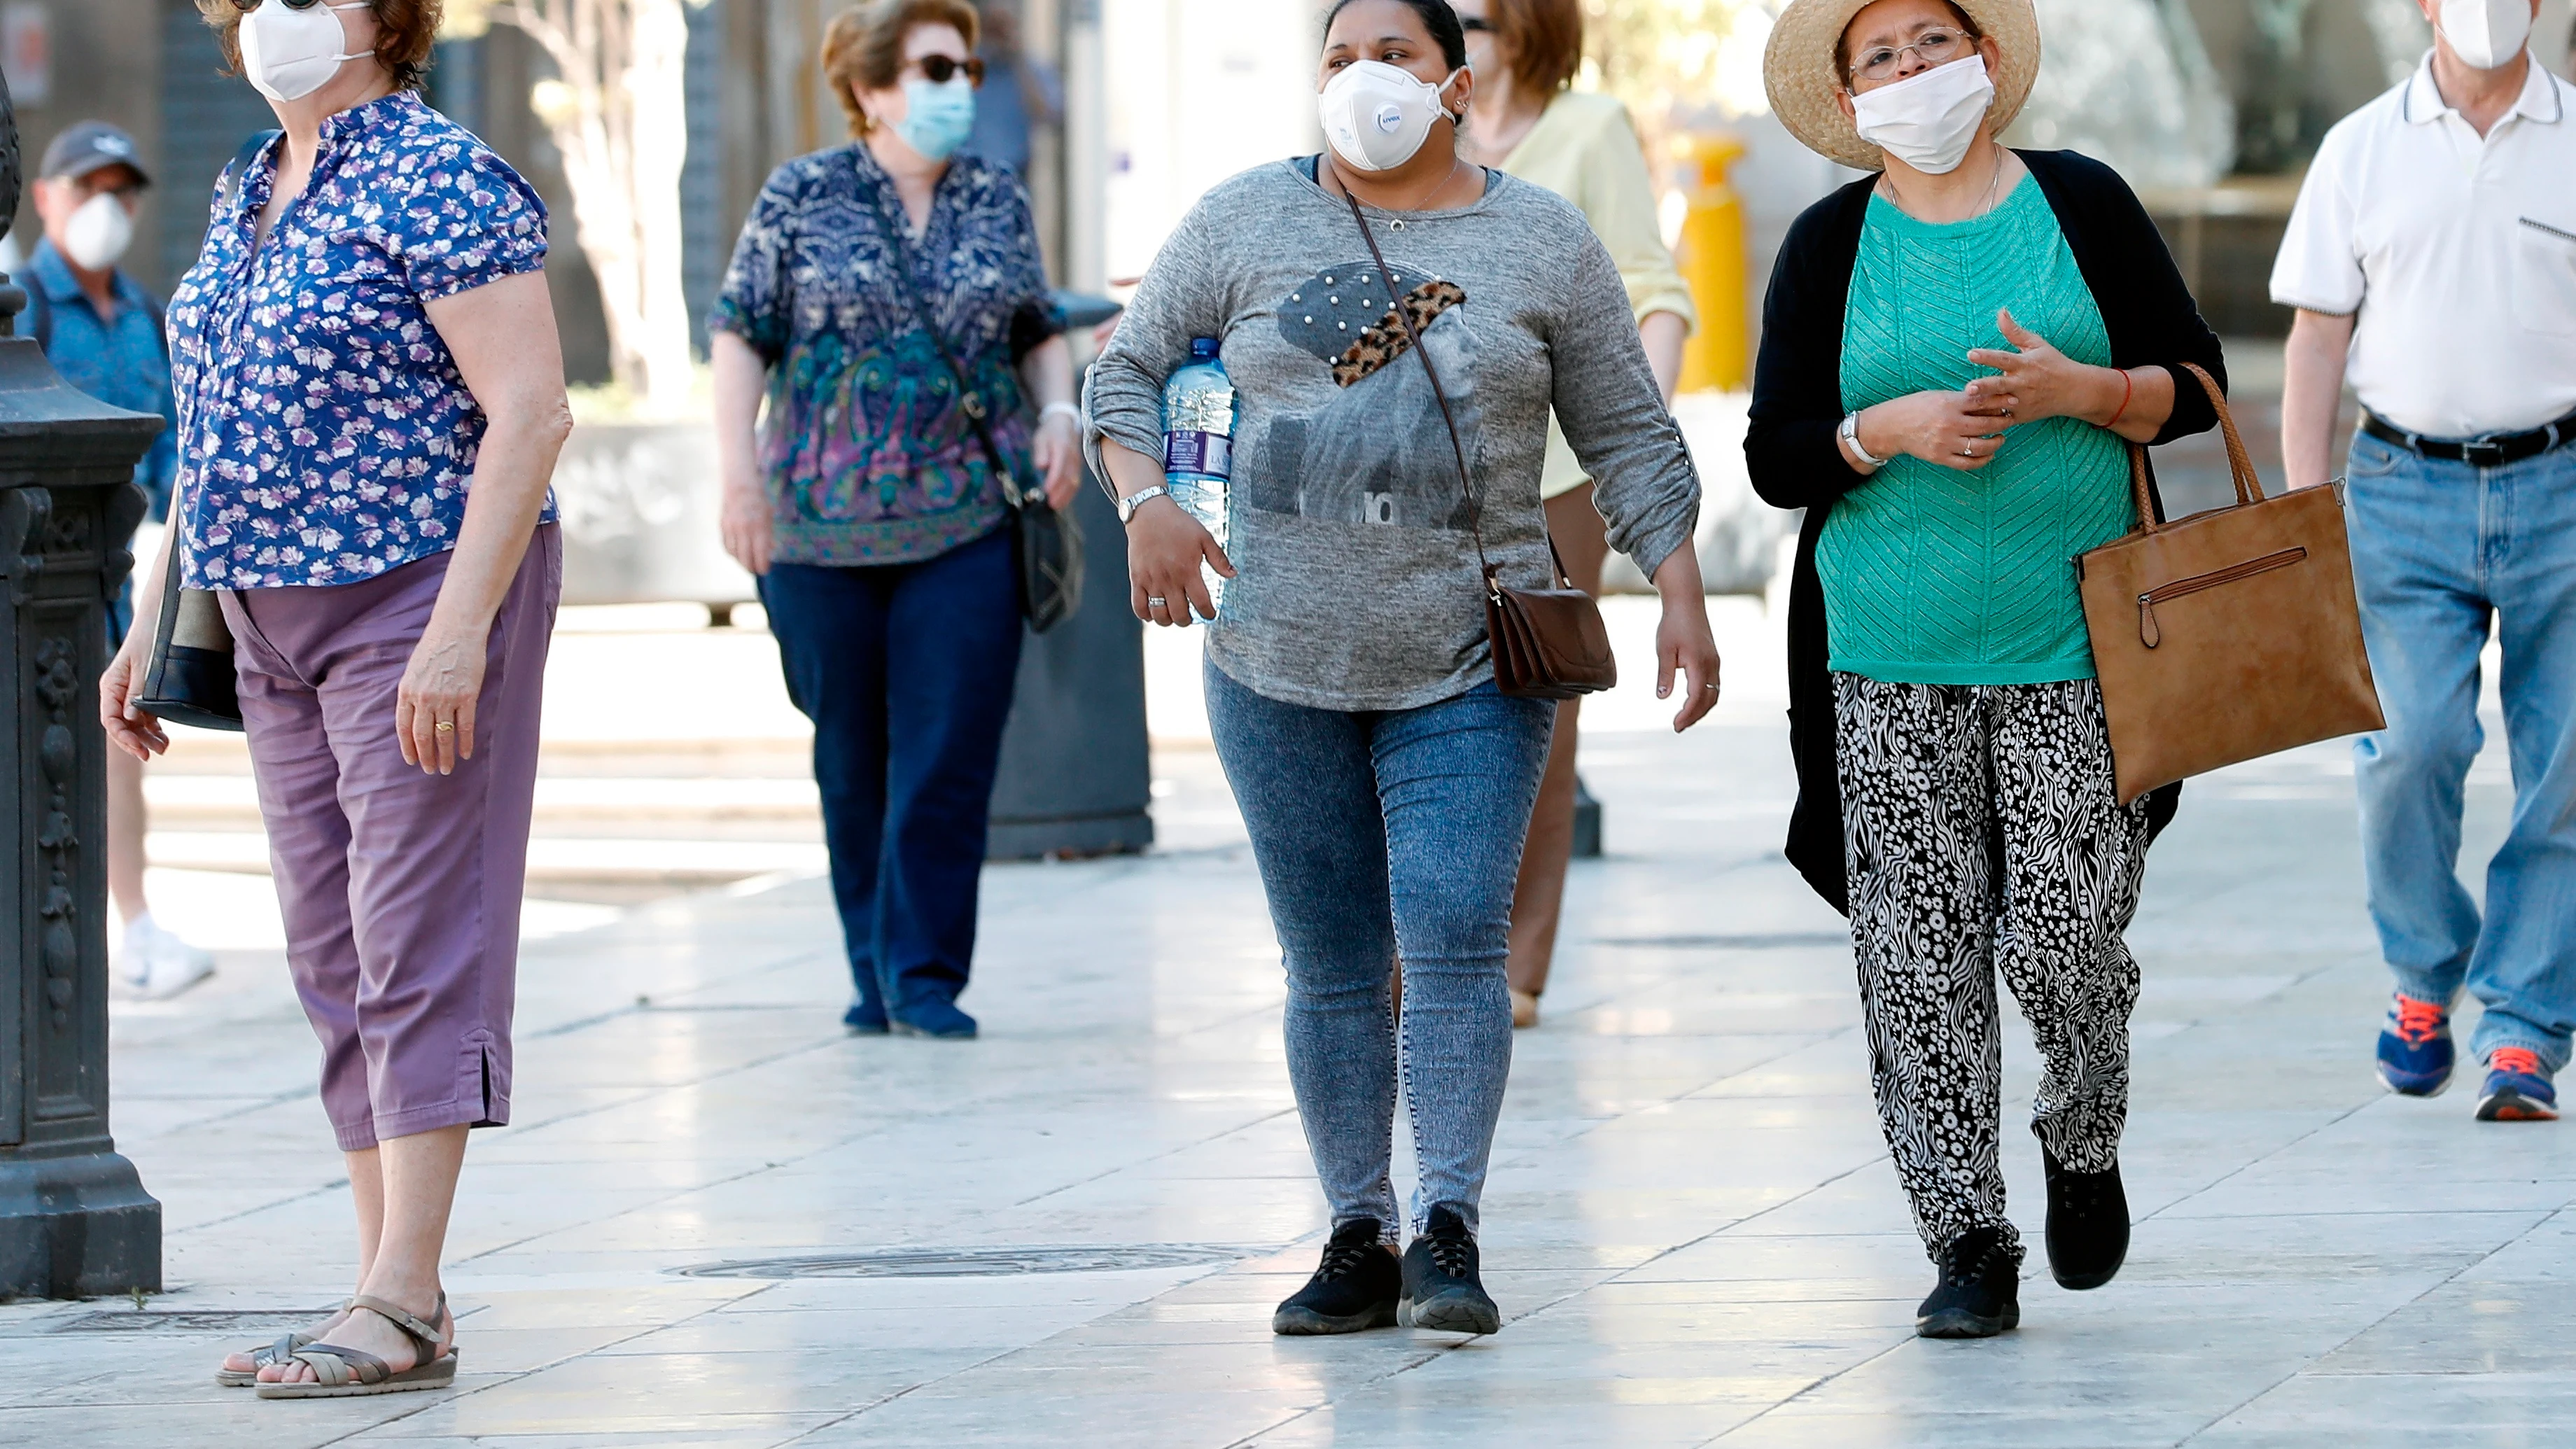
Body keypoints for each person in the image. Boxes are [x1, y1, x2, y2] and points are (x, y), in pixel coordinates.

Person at [1087, 0, 1718, 1338]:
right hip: (1274, 661)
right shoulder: (1241, 220)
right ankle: (1355, 1229)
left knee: (1447, 933)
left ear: (1455, 78)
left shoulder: (1539, 235)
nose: (1361, 78)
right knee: (1327, 962)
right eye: (1336, 57)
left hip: (1471, 663)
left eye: (1395, 55)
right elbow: (1127, 370)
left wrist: (1681, 595)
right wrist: (1144, 499)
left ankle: (1449, 1226)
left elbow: (1628, 429)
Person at [105, 0, 569, 1396]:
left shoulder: (439, 173)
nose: (263, 17)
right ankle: (388, 1296)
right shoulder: (252, 181)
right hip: (264, 614)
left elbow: (532, 409)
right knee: (327, 952)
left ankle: (400, 1291)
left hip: (413, 593)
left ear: (385, 16)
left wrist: (453, 637)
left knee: (412, 935)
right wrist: (151, 613)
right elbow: (218, 415)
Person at [1746, 0, 2225, 1338]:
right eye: (1880, 57)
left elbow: (2196, 377)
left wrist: (2089, 393)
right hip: (1881, 656)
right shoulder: (1829, 243)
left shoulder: (2081, 201)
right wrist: (1876, 430)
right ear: (1849, 101)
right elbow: (1775, 452)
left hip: (2075, 643)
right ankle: (1966, 1237)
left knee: (2071, 930)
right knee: (1914, 954)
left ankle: (2081, 1129)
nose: (1913, 71)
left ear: (1989, 59)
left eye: (1932, 42)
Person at [712, 0, 1082, 1042]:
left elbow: (1033, 327)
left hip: (968, 516)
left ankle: (924, 975)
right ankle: (872, 966)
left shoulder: (997, 197)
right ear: (872, 87)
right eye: (932, 68)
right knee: (852, 754)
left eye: (964, 66)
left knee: (948, 752)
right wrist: (738, 478)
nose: (957, 85)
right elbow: (741, 335)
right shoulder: (802, 194)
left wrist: (1058, 410)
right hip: (817, 529)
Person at [2272, 0, 2576, 1122]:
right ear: (2423, 7)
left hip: (2563, 483)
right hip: (2403, 489)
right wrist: (2307, 514)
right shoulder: (2361, 146)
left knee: (2568, 768)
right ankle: (2422, 972)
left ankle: (2525, 1030)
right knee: (2408, 747)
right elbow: (2316, 335)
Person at [1452, 0, 1695, 1030]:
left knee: (1534, 715)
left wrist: (1631, 444)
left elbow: (1653, 289)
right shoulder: (1417, 131)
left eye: (1476, 17)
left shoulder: (1588, 131)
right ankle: (1415, 951)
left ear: (1528, 24)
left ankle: (1513, 963)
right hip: (1416, 475)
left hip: (1553, 475)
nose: (1457, 33)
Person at [24, 121, 219, 1000]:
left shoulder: (144, 312)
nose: (105, 207)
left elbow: (183, 438)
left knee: (113, 741)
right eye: (86, 187)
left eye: (120, 191)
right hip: (36, 568)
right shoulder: (20, 304)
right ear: (44, 198)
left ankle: (132, 925)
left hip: (125, 571)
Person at [959, 3, 1061, 176]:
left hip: (1016, 169)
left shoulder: (1031, 68)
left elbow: (1050, 113)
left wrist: (1018, 61)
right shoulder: (970, 66)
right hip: (970, 169)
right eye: (995, 28)